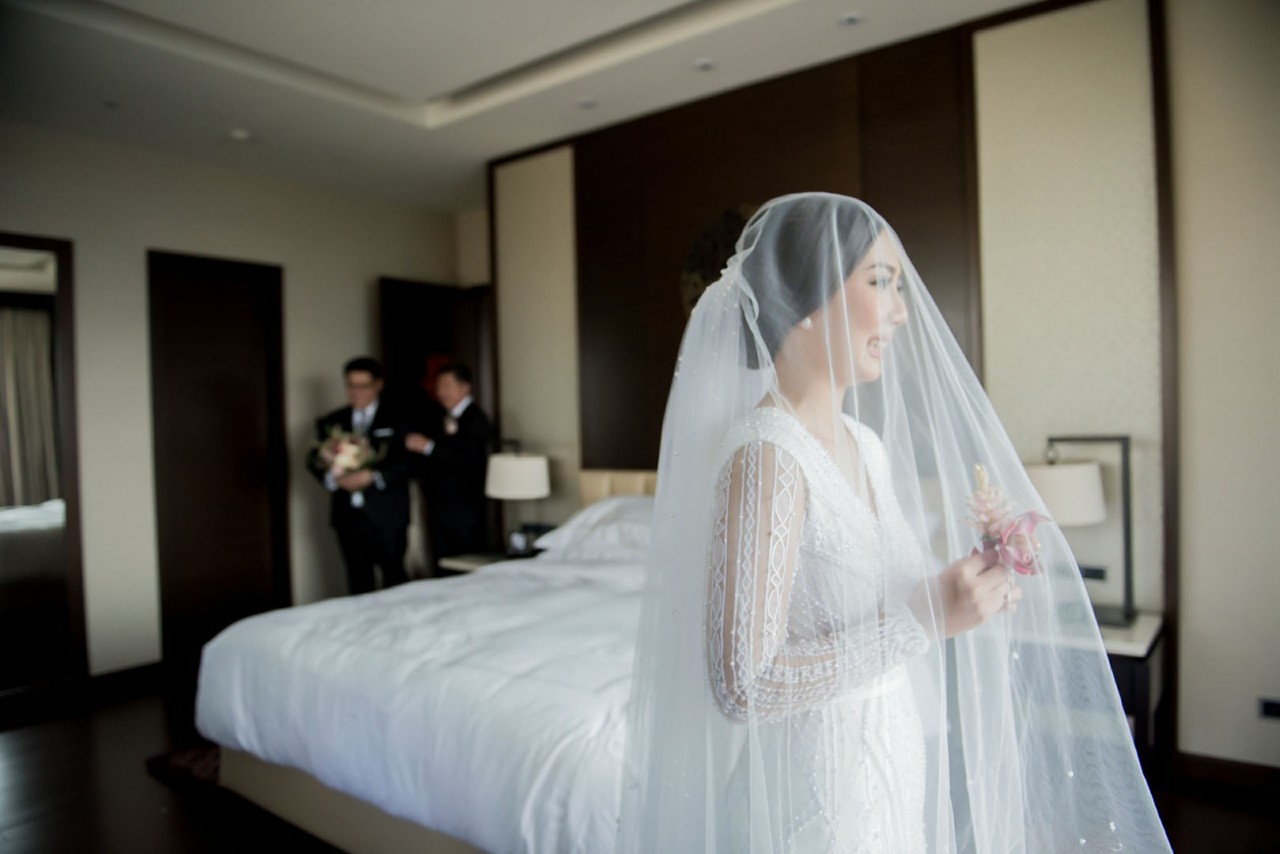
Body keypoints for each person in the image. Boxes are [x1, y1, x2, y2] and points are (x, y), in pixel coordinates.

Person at [617, 194, 1170, 852]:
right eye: (881, 283)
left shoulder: (867, 446)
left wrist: (966, 587)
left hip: (890, 769)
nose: (902, 313)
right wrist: (924, 619)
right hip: (814, 806)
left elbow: (888, 602)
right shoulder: (767, 457)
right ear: (805, 300)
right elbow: (744, 685)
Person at [307, 356, 412, 594]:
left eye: (362, 386)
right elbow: (313, 460)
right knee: (357, 580)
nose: (355, 392)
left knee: (394, 578)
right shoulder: (332, 421)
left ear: (377, 385)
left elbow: (408, 462)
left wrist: (373, 476)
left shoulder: (398, 418)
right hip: (348, 517)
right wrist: (334, 479)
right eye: (351, 385)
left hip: (388, 515)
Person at [405, 362, 494, 572]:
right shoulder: (438, 416)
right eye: (439, 386)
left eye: (447, 386)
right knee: (441, 563)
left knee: (463, 563)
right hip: (440, 506)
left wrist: (430, 447)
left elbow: (468, 460)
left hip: (465, 507)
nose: (441, 392)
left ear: (465, 387)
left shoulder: (476, 418)